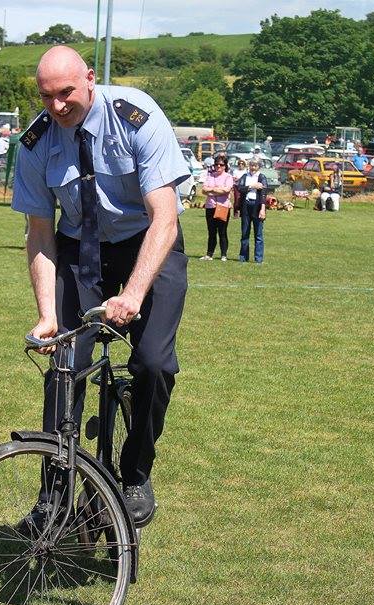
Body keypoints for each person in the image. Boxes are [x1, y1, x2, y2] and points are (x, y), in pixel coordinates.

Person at [12, 45, 189, 528]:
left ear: (90, 78)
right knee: (64, 365)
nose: (57, 106)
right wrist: (48, 315)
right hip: (80, 249)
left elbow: (165, 217)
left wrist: (133, 294)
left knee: (153, 363)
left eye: (66, 92)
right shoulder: (36, 142)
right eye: (46, 96)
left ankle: (135, 473)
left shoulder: (135, 115)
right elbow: (40, 233)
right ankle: (54, 496)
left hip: (148, 243)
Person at [200, 156, 234, 261]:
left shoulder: (228, 177)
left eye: (221, 164)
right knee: (211, 231)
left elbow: (226, 190)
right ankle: (209, 254)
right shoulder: (210, 176)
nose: (218, 166)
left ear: (225, 166)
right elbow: (203, 190)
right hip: (210, 206)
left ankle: (223, 254)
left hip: (223, 206)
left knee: (222, 231)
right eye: (216, 164)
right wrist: (217, 190)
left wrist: (211, 190)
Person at [238, 159, 268, 263]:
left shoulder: (262, 177)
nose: (253, 167)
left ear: (259, 166)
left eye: (255, 165)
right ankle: (243, 257)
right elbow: (240, 188)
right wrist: (252, 186)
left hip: (257, 206)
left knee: (258, 234)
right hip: (246, 205)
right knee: (245, 233)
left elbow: (263, 194)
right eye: (251, 165)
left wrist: (262, 209)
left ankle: (258, 258)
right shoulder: (245, 176)